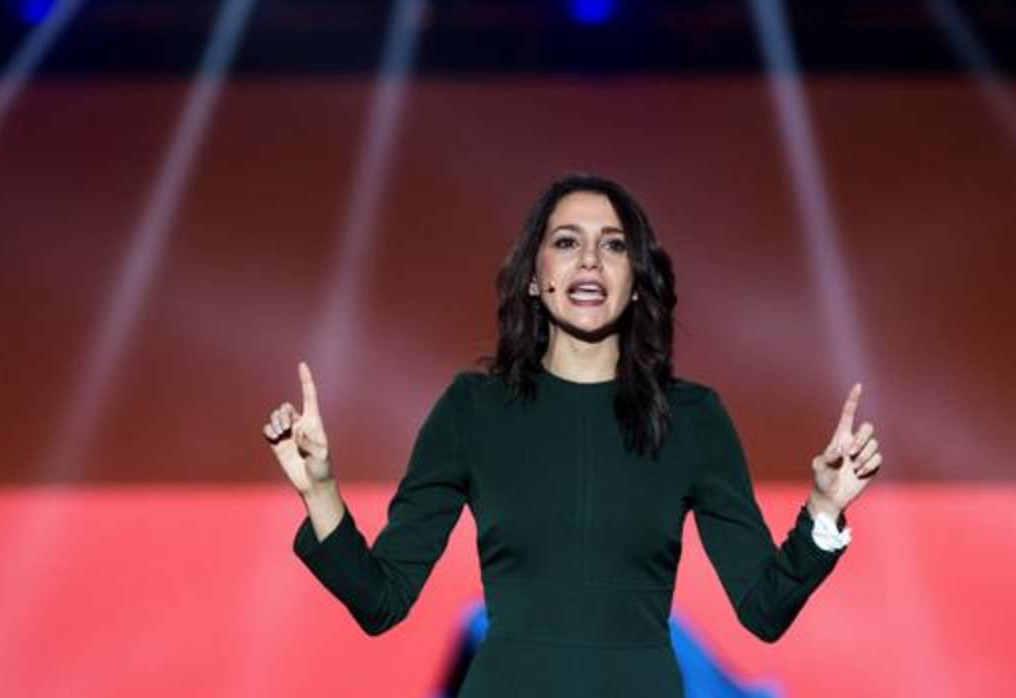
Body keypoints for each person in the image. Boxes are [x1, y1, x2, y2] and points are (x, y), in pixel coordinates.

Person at [263, 173, 883, 697]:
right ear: (535, 277)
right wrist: (320, 492)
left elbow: (764, 611)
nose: (590, 259)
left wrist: (824, 510)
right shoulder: (472, 410)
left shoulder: (692, 418)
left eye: (613, 246)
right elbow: (381, 600)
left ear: (636, 280)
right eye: (567, 241)